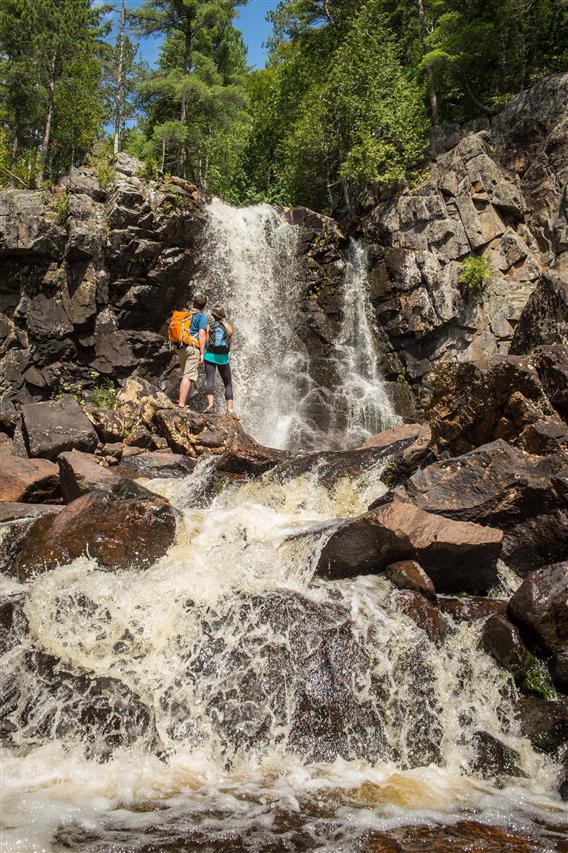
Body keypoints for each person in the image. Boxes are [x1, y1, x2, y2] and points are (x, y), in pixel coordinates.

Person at [203, 305, 236, 416]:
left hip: (210, 356)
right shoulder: (228, 327)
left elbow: (207, 341)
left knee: (210, 380)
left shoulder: (209, 326)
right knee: (228, 384)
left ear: (213, 315)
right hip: (223, 358)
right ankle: (230, 410)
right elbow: (229, 342)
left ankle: (210, 405)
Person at [177, 293, 208, 407]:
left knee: (185, 374)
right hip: (192, 348)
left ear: (193, 303)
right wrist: (202, 353)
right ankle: (181, 403)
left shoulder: (186, 314)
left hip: (180, 347)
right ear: (204, 306)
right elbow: (202, 334)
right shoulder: (202, 316)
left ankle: (181, 400)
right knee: (188, 376)